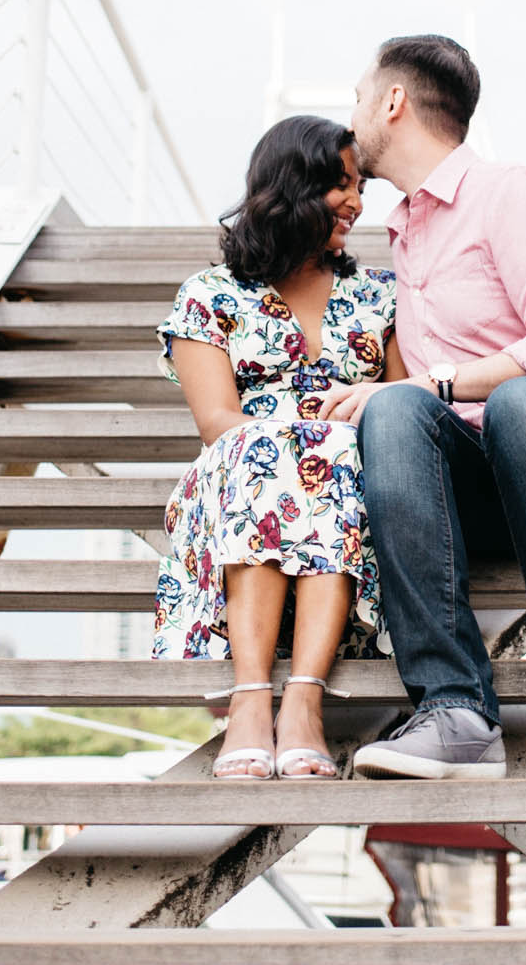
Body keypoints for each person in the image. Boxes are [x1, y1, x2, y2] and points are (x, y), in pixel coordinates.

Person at [317, 35, 526, 780]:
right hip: (489, 489)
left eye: (356, 97)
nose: (351, 117)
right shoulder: (405, 236)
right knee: (393, 412)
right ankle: (456, 712)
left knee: (520, 401)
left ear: (393, 101)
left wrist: (439, 383)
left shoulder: (510, 193)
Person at [153, 115, 402, 780]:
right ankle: (252, 695)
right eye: (341, 185)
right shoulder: (209, 297)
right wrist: (300, 439)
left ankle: (302, 700)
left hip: (350, 482)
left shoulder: (382, 294)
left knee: (336, 459)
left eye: (359, 187)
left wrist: (352, 416)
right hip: (242, 478)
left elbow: (405, 408)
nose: (357, 200)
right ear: (294, 185)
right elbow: (218, 422)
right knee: (270, 455)